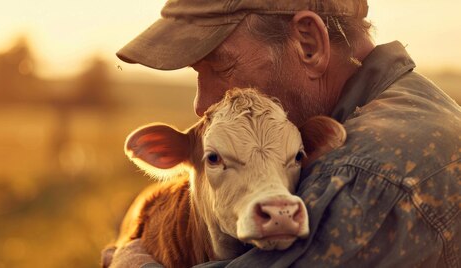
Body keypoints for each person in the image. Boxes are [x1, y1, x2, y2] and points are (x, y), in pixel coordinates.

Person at [110, 0, 461, 267]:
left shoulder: (362, 179)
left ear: (308, 44)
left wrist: (132, 258)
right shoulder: (416, 107)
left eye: (220, 66)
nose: (201, 105)